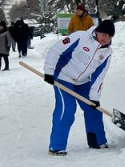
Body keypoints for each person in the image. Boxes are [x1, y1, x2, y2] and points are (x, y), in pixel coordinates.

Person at [43, 19, 115, 155]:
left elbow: (99, 76)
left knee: (93, 109)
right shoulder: (81, 37)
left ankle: (97, 141)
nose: (106, 38)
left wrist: (94, 97)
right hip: (63, 78)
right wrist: (49, 71)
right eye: (104, 34)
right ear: (97, 31)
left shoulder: (107, 53)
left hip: (82, 82)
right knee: (67, 109)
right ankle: (56, 147)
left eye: (109, 36)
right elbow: (56, 50)